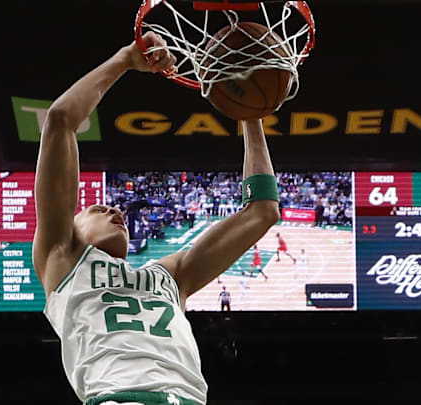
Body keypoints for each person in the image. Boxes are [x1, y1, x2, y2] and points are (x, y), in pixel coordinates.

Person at [34, 32, 280, 405]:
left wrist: (250, 117)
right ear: (71, 227)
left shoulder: (170, 275)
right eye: (99, 210)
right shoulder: (63, 259)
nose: (115, 210)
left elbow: (262, 211)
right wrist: (125, 59)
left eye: (114, 209)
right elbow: (60, 120)